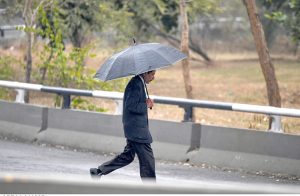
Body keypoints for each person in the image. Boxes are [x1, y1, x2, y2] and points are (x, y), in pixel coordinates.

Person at [90, 70, 156, 181]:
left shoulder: (139, 83)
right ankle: (151, 190)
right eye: (152, 74)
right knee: (147, 161)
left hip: (135, 129)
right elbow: (130, 106)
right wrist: (146, 104)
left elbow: (134, 103)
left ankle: (98, 171)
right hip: (137, 131)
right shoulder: (135, 84)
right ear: (145, 73)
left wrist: (144, 102)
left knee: (127, 157)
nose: (153, 77)